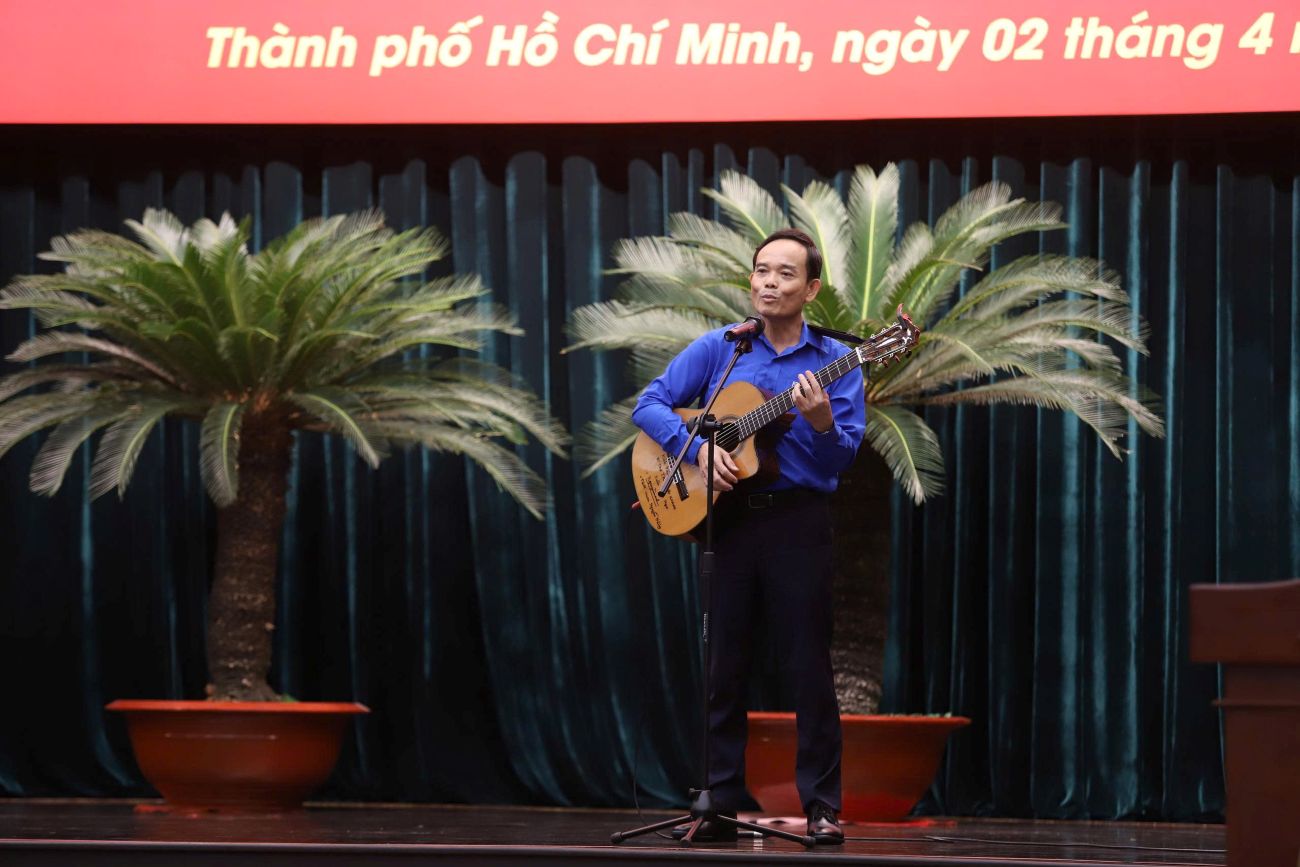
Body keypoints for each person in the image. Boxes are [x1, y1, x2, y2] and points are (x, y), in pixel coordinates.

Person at [631, 227, 866, 844]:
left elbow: (841, 460)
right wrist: (698, 449)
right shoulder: (722, 349)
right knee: (722, 667)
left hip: (797, 523)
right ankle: (718, 805)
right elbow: (649, 404)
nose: (768, 281)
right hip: (726, 523)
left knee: (808, 668)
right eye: (761, 270)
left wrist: (819, 422)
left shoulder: (835, 363)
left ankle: (821, 807)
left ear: (811, 288)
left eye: (785, 273)